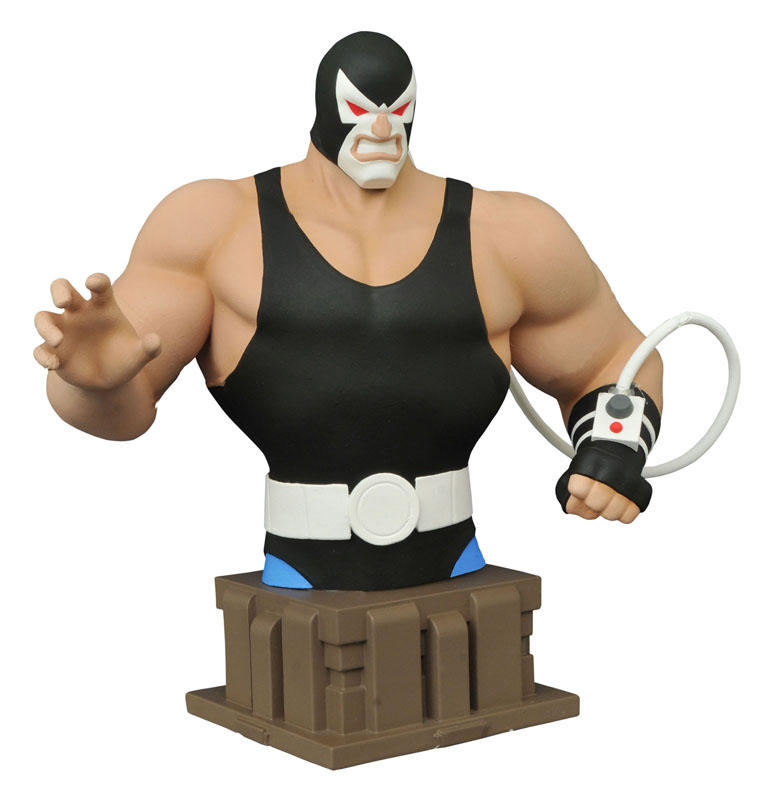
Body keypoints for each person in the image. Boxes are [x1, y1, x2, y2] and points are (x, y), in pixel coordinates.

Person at [33, 31, 662, 591]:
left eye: (396, 110)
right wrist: (89, 384)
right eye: (361, 110)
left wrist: (615, 446)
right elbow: (125, 411)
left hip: (461, 576)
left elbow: (615, 360)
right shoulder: (214, 225)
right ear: (324, 108)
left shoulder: (511, 233)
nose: (382, 130)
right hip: (297, 580)